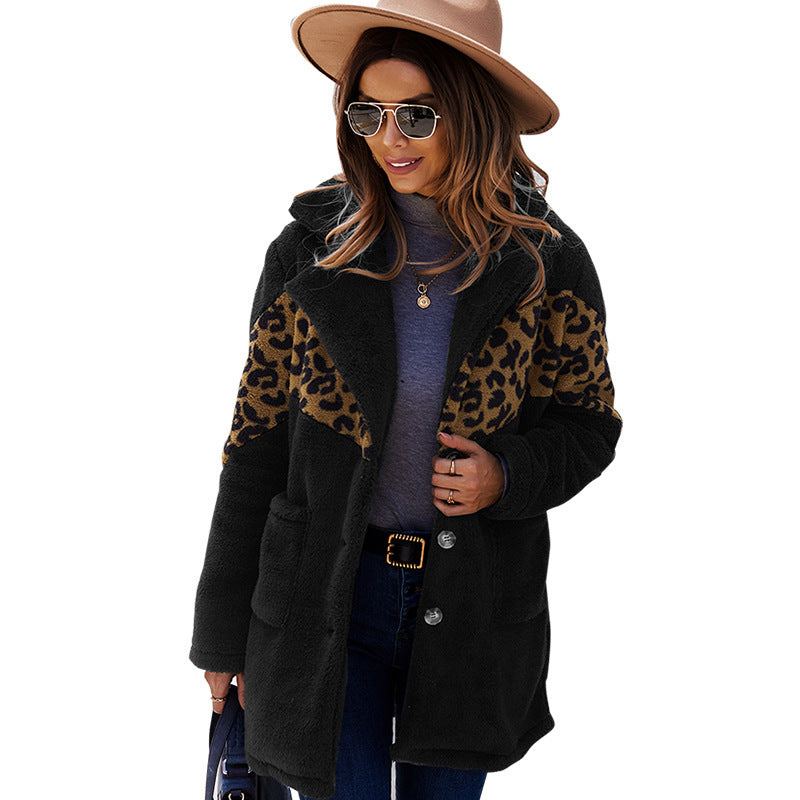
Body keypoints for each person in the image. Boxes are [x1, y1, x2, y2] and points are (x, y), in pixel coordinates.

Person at [189, 0, 622, 798]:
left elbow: (589, 424)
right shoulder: (309, 252)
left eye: (418, 115)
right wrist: (219, 634)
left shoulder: (545, 260)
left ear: (474, 114)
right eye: (369, 113)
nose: (389, 139)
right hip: (324, 599)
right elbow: (254, 443)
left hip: (471, 609)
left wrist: (507, 474)